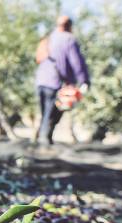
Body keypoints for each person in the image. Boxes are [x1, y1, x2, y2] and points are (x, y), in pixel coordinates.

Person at [34, 16, 90, 145]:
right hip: (56, 83)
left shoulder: (48, 39)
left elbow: (38, 59)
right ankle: (44, 144)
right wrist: (84, 80)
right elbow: (77, 62)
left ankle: (41, 141)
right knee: (54, 114)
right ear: (70, 26)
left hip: (41, 81)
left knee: (45, 114)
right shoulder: (69, 39)